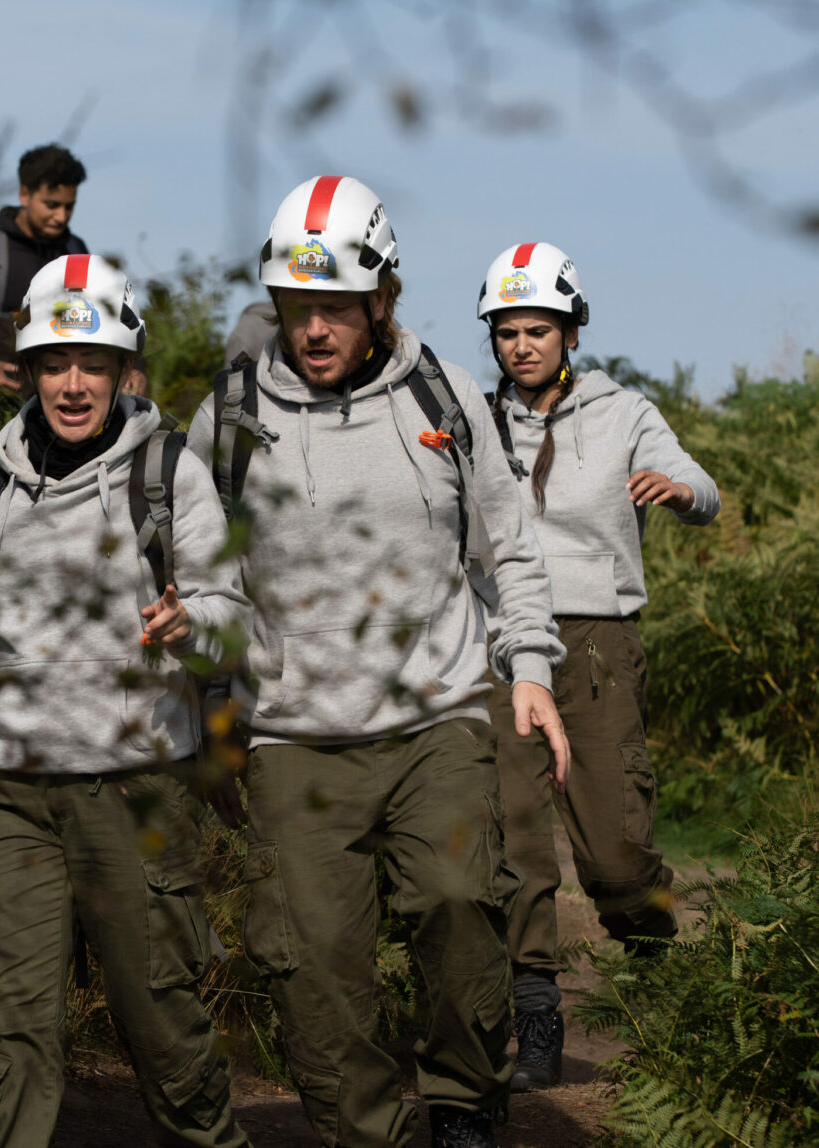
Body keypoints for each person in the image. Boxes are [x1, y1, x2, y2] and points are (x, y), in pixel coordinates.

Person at [187, 176, 570, 1148]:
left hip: (435, 719)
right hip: (292, 737)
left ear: (381, 301)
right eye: (296, 306)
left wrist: (528, 667)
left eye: (336, 307)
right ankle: (377, 1133)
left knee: (457, 907)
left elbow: (508, 549)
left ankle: (465, 1104)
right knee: (313, 967)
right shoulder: (226, 418)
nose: (315, 328)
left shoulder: (444, 397)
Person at [0, 254, 251, 1148]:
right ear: (29, 370)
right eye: (56, 364)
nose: (74, 385)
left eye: (93, 364)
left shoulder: (170, 473)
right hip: (10, 796)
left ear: (123, 370)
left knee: (164, 1028)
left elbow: (234, 619)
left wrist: (193, 626)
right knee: (14, 1030)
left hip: (135, 792)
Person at [474, 242, 720, 1091]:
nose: (521, 346)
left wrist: (679, 490)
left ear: (572, 330)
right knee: (515, 838)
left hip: (598, 644)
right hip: (504, 644)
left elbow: (703, 484)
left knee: (617, 853)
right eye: (505, 332)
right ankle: (534, 1013)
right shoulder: (475, 417)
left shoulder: (625, 413)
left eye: (537, 328)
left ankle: (660, 988)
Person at [0, 144, 148, 398]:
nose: (61, 217)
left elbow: (108, 317)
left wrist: (134, 369)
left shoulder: (74, 251)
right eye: (52, 205)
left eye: (69, 207)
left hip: (54, 410)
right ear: (24, 195)